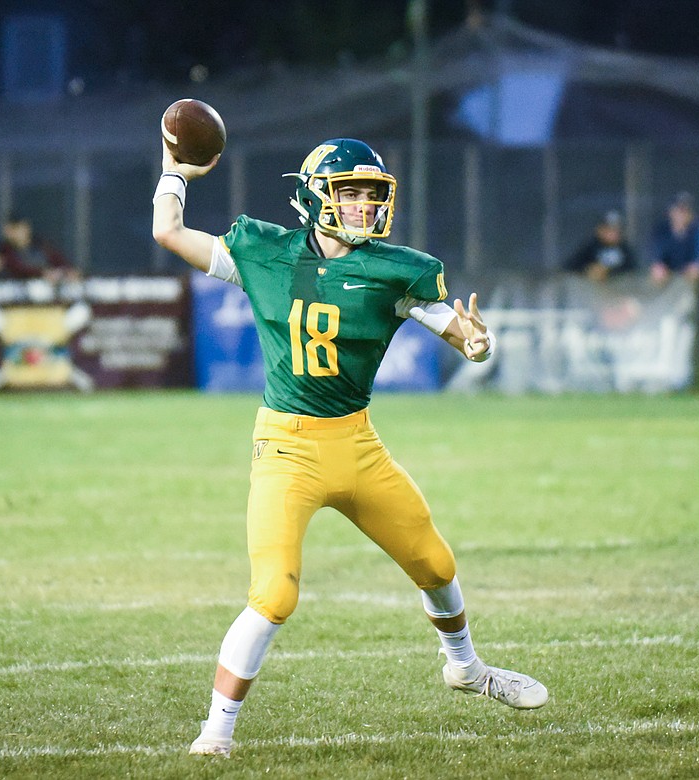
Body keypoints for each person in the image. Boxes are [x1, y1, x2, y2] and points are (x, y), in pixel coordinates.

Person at [151, 137, 548, 758]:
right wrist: (176, 172)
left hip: (357, 444)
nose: (364, 206)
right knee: (274, 594)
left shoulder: (398, 269)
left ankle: (466, 668)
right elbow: (169, 232)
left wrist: (476, 343)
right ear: (315, 196)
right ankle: (216, 730)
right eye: (350, 193)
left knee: (437, 566)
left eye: (372, 194)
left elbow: (454, 330)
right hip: (286, 447)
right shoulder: (265, 252)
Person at [647, 191, 699, 285]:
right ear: (671, 212)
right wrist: (659, 266)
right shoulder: (662, 230)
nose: (681, 214)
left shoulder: (698, 230)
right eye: (678, 210)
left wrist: (693, 267)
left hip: (688, 276)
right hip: (668, 275)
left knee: (695, 272)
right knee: (657, 272)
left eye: (685, 211)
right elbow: (657, 256)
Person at [0, 213, 80, 282]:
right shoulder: (5, 251)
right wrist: (42, 273)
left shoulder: (40, 245)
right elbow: (18, 269)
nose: (21, 232)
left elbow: (58, 260)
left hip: (50, 286)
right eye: (9, 231)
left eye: (20, 228)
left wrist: (68, 271)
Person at [563, 209, 636, 282]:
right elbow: (570, 268)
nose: (613, 234)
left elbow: (634, 271)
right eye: (609, 230)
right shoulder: (591, 247)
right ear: (599, 230)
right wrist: (588, 271)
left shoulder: (624, 249)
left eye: (617, 230)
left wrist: (610, 272)